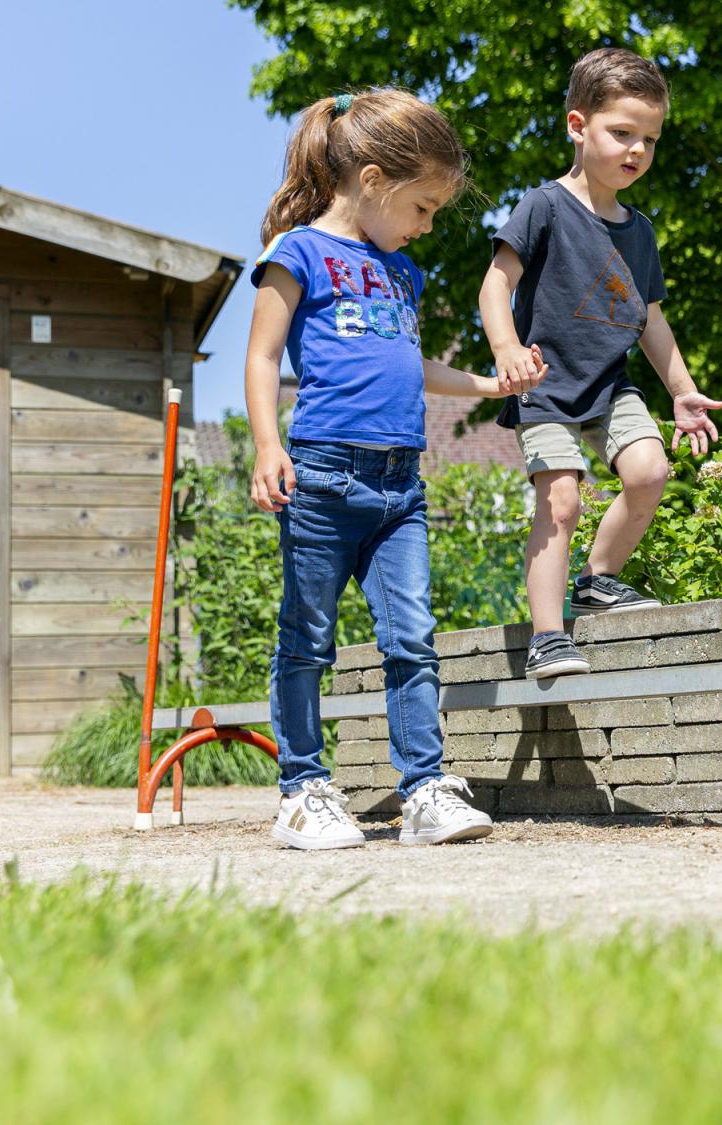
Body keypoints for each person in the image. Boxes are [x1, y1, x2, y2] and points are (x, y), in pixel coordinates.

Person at [246, 88, 545, 849]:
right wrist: (268, 446)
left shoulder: (402, 273)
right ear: (373, 180)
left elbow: (412, 364)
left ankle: (423, 791)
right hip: (321, 476)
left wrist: (489, 385)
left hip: (399, 486)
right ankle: (302, 790)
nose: (427, 225)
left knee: (412, 638)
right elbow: (263, 357)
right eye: (423, 207)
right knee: (306, 640)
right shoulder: (296, 254)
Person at [479, 48, 722, 679]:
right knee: (561, 500)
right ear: (578, 126)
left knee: (649, 471)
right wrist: (506, 349)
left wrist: (682, 390)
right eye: (622, 133)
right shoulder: (544, 206)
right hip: (544, 382)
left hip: (610, 382)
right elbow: (495, 283)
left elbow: (651, 320)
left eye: (650, 139)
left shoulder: (639, 231)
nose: (637, 150)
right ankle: (548, 636)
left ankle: (598, 578)